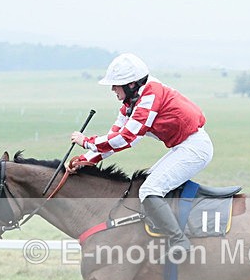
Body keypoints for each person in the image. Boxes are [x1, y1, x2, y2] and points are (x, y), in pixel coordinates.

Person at [66, 53, 213, 260]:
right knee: (143, 186)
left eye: (116, 85)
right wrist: (86, 159)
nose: (112, 90)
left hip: (194, 148)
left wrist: (86, 141)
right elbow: (115, 138)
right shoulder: (131, 102)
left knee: (150, 190)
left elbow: (126, 138)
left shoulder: (151, 94)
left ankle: (179, 241)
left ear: (132, 84)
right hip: (183, 147)